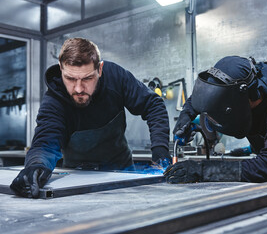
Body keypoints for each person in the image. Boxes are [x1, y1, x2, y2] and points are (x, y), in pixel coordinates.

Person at [10, 37, 170, 198]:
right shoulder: (54, 101)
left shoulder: (116, 77)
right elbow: (45, 143)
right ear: (61, 69)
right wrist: (36, 164)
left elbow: (153, 104)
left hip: (122, 171)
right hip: (75, 177)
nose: (79, 89)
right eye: (70, 79)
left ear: (100, 69)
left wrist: (160, 150)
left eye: (87, 78)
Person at [164, 56, 267, 183]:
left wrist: (202, 170)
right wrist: (186, 114)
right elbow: (206, 95)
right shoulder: (243, 84)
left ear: (243, 96)